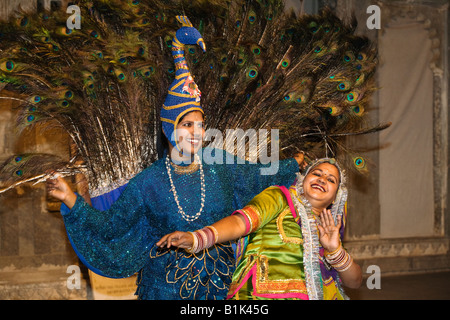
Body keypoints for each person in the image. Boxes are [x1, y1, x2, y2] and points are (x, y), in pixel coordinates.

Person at [46, 16, 303, 300]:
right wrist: (70, 199)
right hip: (162, 291)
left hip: (222, 288)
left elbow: (260, 176)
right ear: (170, 129)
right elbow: (111, 227)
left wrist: (296, 165)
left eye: (201, 125)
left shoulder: (220, 162)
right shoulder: (148, 182)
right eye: (187, 125)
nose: (196, 132)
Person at [157, 158, 362, 300]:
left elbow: (354, 283)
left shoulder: (330, 229)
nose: (322, 179)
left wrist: (335, 250)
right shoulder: (280, 198)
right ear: (303, 179)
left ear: (336, 196)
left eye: (330, 179)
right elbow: (240, 223)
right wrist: (197, 239)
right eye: (316, 173)